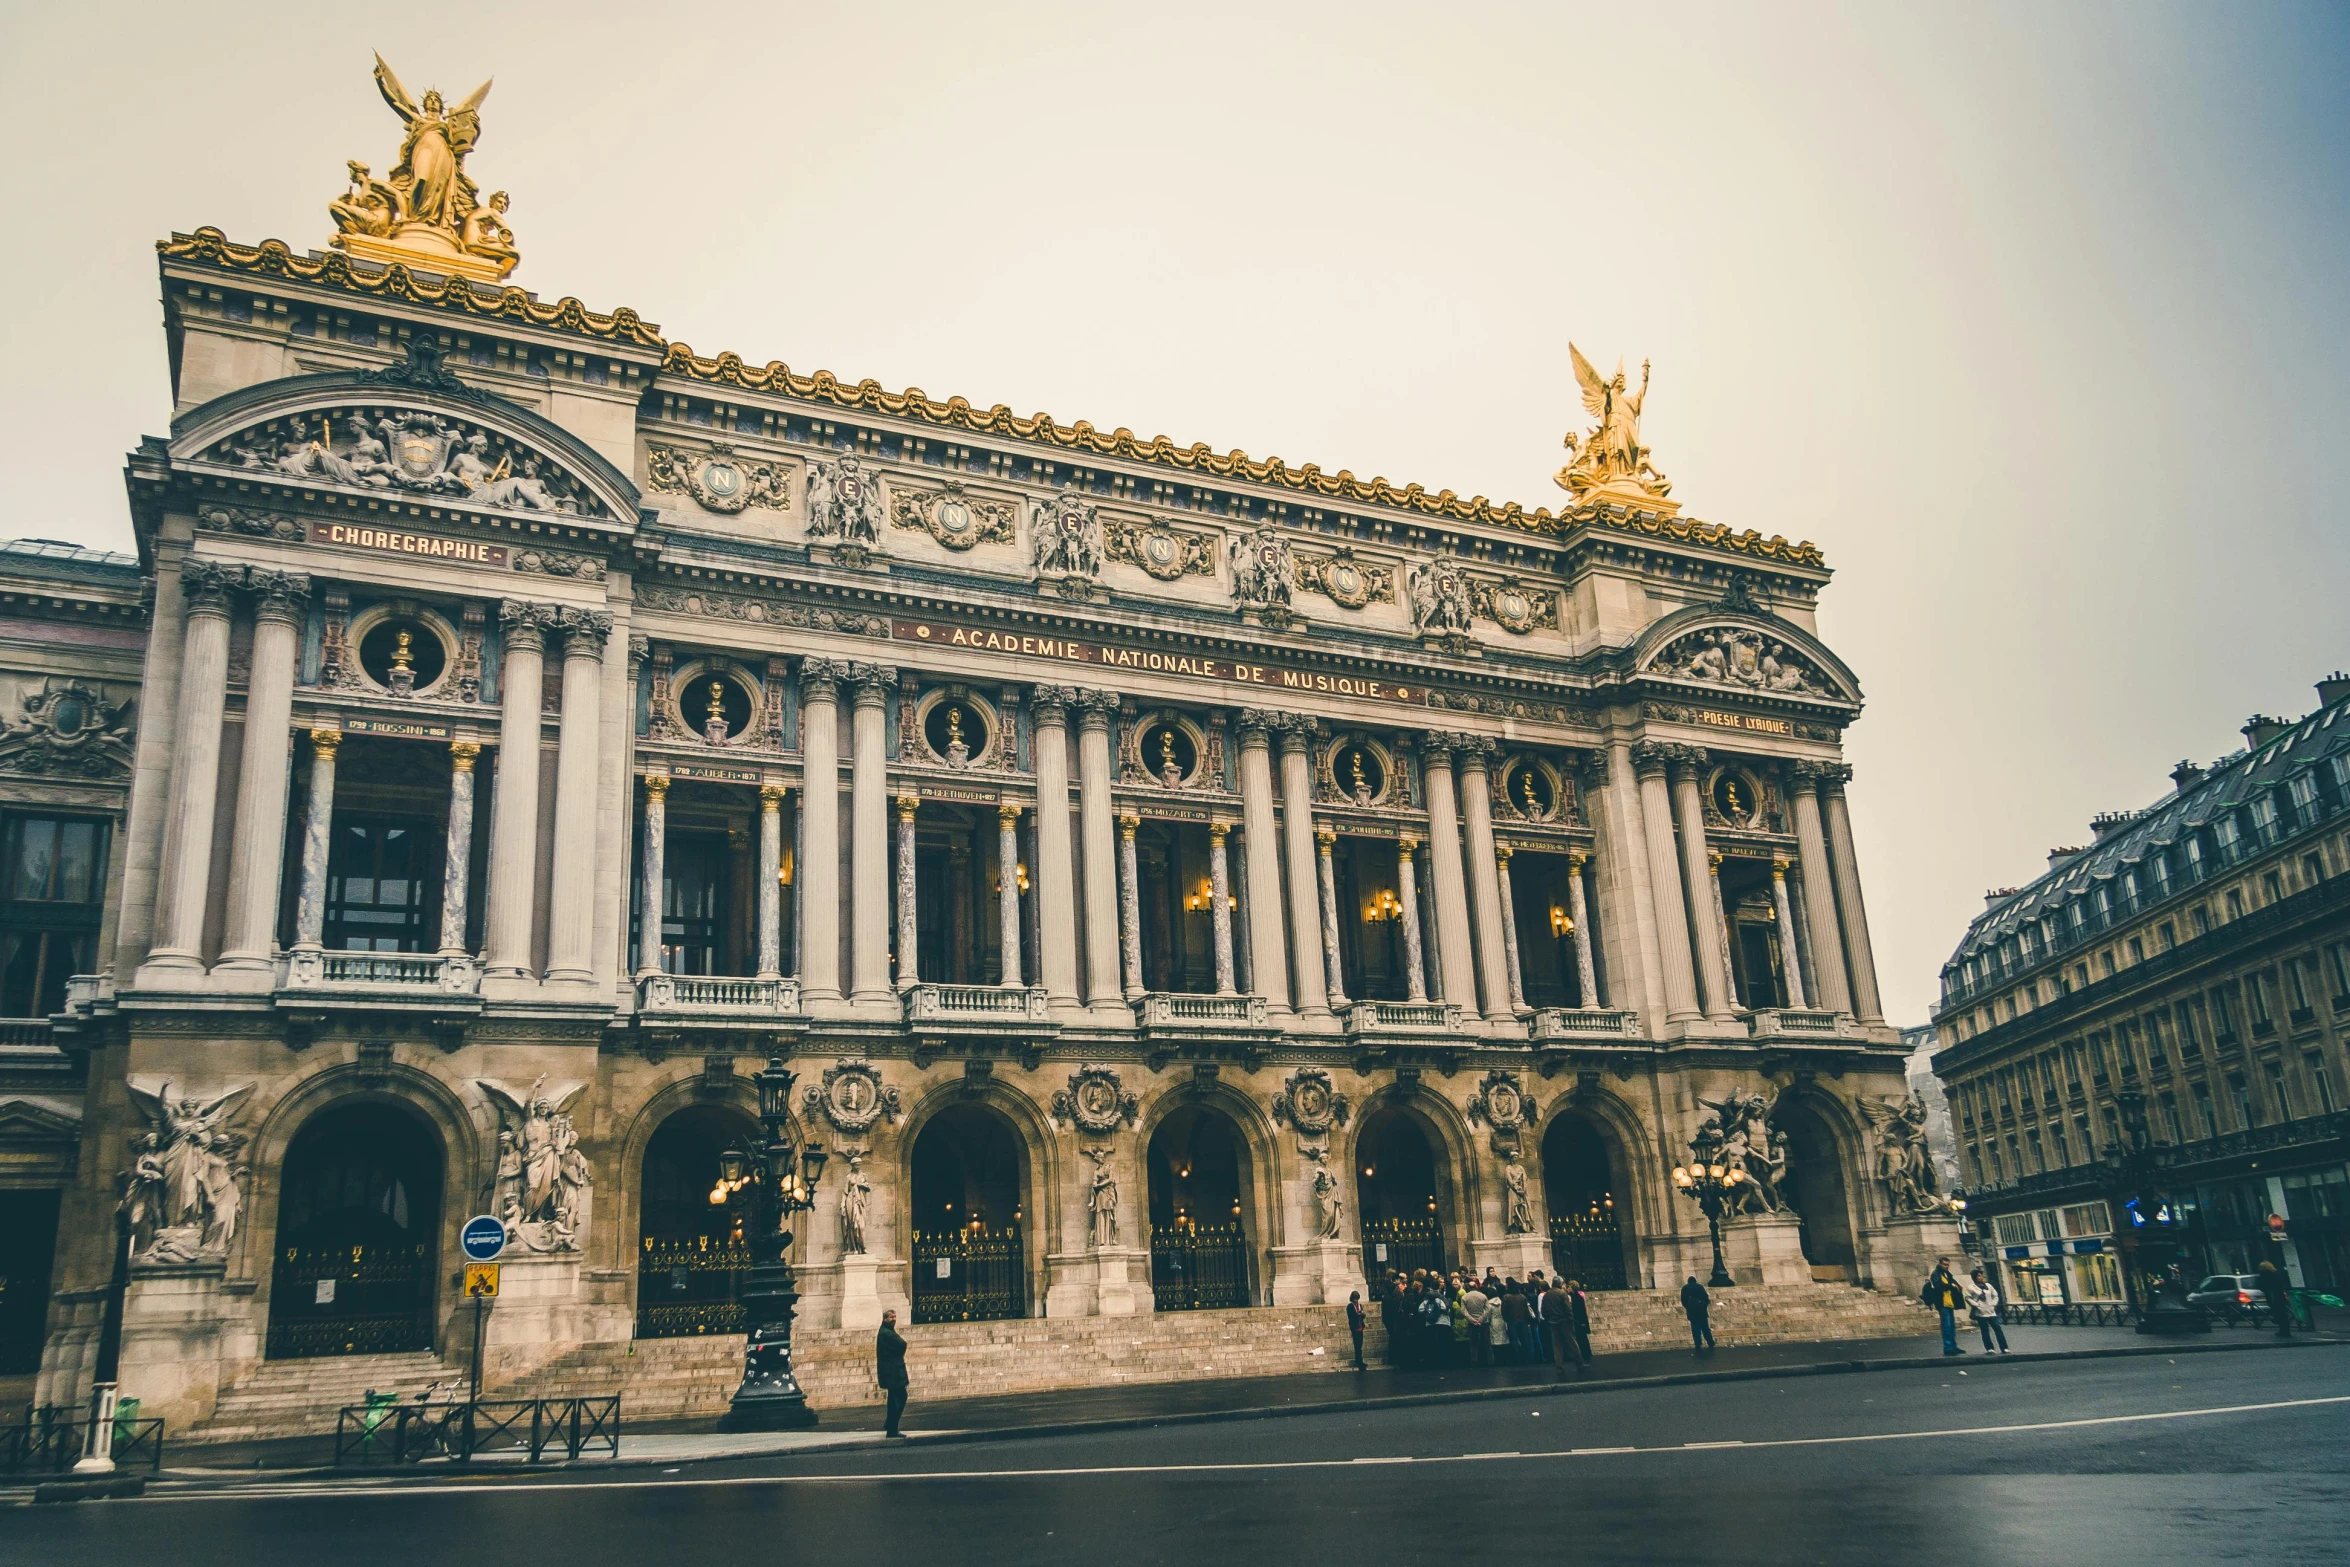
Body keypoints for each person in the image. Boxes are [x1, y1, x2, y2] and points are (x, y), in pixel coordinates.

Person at [1922, 1257, 1967, 1356]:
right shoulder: (1936, 1274)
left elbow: (1952, 1284)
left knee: (1951, 1326)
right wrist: (1951, 1286)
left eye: (1947, 1265)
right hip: (1942, 1303)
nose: (1946, 1266)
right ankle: (1948, 1347)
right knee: (1946, 1326)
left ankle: (1953, 1346)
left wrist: (1957, 1286)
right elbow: (1939, 1286)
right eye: (1945, 1264)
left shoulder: (1947, 1274)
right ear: (1940, 1264)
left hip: (1949, 1302)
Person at [876, 1308, 909, 1437]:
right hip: (893, 1372)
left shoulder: (886, 1331)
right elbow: (902, 1344)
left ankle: (890, 1425)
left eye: (895, 1317)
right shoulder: (886, 1333)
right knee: (900, 1397)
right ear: (885, 1319)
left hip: (891, 1371)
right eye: (891, 1317)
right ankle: (892, 1427)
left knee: (894, 1399)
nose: (894, 1319)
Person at [1964, 1268, 2010, 1354]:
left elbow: (1995, 1295)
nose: (1981, 1277)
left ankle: (2004, 1347)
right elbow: (1968, 1298)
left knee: (1998, 1329)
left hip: (1991, 1311)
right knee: (1985, 1331)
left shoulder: (1988, 1286)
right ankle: (1989, 1348)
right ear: (1974, 1277)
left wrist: (1993, 1304)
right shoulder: (1971, 1287)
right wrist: (1976, 1305)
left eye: (1981, 1275)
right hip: (1981, 1313)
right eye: (1978, 1275)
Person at [2257, 1259, 2294, 1338]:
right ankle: (2286, 1330)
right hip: (2280, 1296)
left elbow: (2261, 1285)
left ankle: (2282, 1330)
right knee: (2283, 1313)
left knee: (2278, 1313)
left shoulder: (2264, 1275)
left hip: (2272, 1296)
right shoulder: (2277, 1274)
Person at [1681, 1274, 1715, 1355]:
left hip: (1692, 1312)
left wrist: (1688, 1307)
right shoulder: (1699, 1287)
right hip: (1701, 1312)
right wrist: (1703, 1306)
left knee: (1695, 1329)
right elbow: (1706, 1298)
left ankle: (1698, 1344)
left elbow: (1683, 1301)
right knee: (1705, 1328)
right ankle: (1710, 1342)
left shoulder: (1685, 1288)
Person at [1462, 1278, 1493, 1367]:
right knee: (1487, 1342)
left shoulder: (1465, 1297)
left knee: (1473, 1343)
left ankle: (1474, 1361)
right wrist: (1481, 1319)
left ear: (1468, 1287)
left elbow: (1464, 1311)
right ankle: (1490, 1361)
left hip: (1472, 1323)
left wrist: (1472, 1320)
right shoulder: (1483, 1296)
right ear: (1476, 1286)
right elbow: (1488, 1309)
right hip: (1483, 1322)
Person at [1347, 1289, 1368, 1370]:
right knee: (1357, 1346)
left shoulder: (1359, 1305)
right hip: (1355, 1328)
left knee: (1360, 1345)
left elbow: (1362, 1316)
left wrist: (1362, 1314)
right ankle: (1358, 1361)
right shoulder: (1350, 1306)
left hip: (1360, 1327)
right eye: (1355, 1299)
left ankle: (1360, 1360)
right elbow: (1351, 1317)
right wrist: (1358, 1314)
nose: (1356, 1300)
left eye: (1357, 1299)